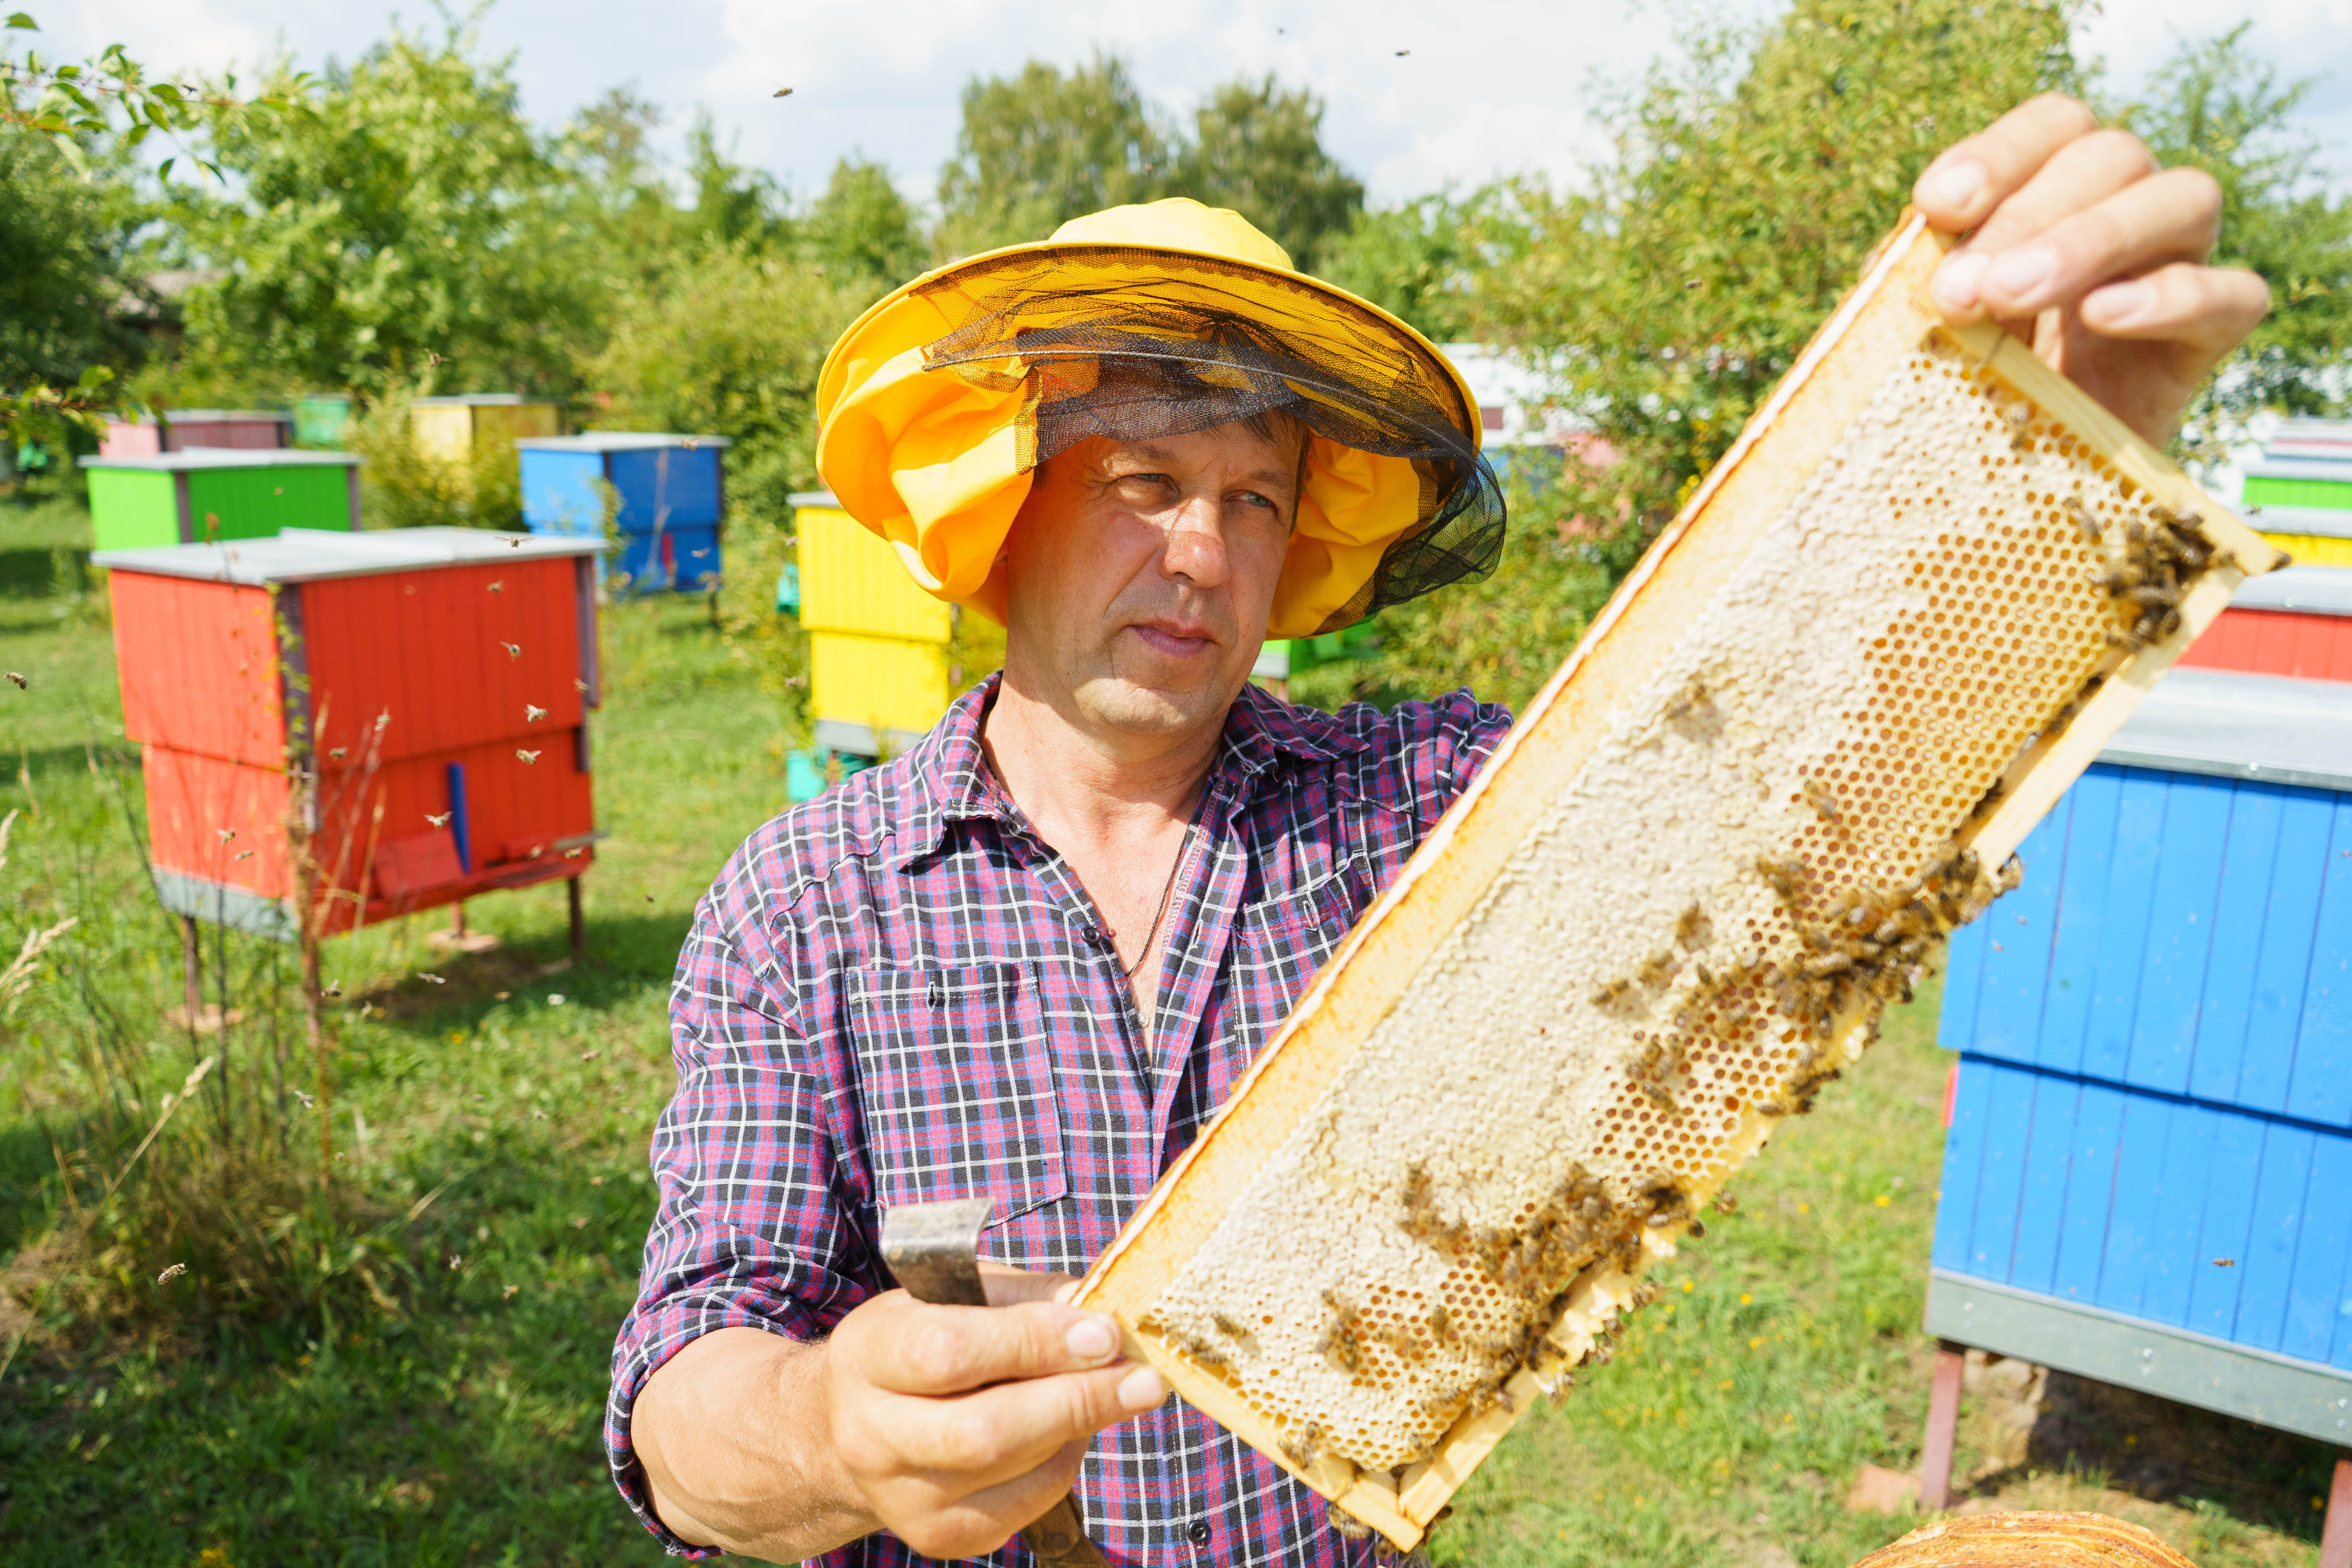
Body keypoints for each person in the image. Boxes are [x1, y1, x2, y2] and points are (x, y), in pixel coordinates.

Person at [608, 95, 2268, 1566]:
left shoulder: (1406, 806)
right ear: (997, 500)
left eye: (1253, 497)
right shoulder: (807, 902)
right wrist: (830, 1425)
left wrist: (2024, 468)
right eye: (1139, 480)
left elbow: (1789, 814)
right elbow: (689, 1391)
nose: (1203, 548)